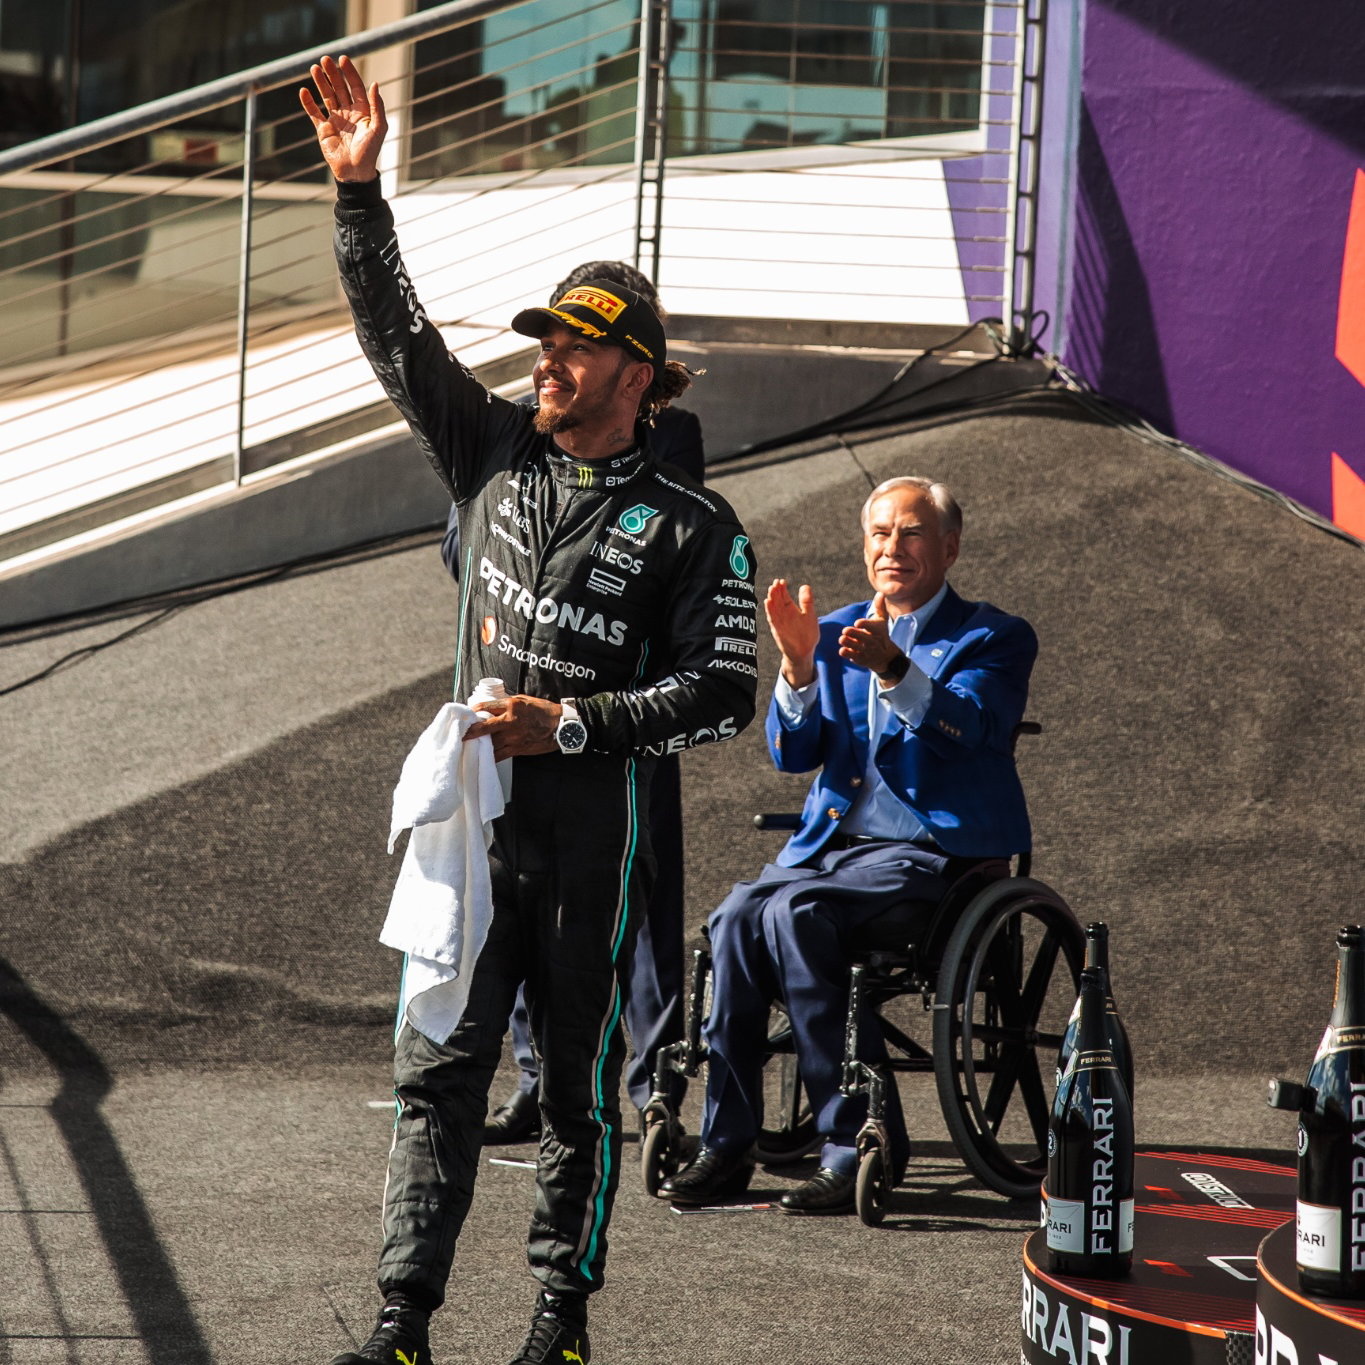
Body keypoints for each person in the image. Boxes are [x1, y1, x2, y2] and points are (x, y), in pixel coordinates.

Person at [301, 55, 758, 1365]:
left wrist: (572, 725)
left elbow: (723, 695)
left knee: (572, 1090)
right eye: (545, 339)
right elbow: (397, 342)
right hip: (473, 833)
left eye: (575, 343)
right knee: (433, 1077)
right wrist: (359, 196)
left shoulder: (695, 525)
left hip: (591, 842)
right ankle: (400, 1327)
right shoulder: (492, 454)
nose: (547, 357)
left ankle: (559, 1329)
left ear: (637, 372)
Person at [660, 476, 1036, 1215]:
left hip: (935, 859)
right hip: (832, 853)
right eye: (879, 534)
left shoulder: (992, 636)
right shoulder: (831, 632)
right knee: (734, 916)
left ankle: (856, 1139)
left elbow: (972, 729)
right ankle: (726, 1142)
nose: (892, 547)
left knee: (794, 911)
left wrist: (895, 668)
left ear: (949, 547)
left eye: (911, 533)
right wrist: (798, 668)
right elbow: (792, 754)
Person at [442, 263, 704, 1148]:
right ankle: (532, 1074)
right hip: (515, 706)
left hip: (622, 723)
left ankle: (653, 1083)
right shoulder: (516, 439)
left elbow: (663, 567)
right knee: (514, 898)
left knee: (641, 904)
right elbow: (461, 542)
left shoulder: (672, 439)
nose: (558, 356)